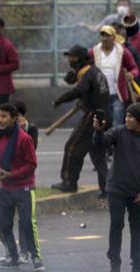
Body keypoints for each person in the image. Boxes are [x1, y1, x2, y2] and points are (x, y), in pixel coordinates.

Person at [93, 103, 140, 272]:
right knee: (116, 225)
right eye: (126, 116)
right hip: (116, 189)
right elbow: (102, 144)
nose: (127, 119)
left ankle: (137, 267)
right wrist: (98, 131)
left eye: (131, 117)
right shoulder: (119, 132)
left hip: (138, 194)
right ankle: (115, 263)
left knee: (137, 229)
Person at [51, 44, 110, 196]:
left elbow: (79, 90)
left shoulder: (87, 73)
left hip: (93, 115)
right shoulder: (93, 71)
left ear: (81, 58)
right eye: (69, 56)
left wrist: (60, 100)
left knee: (72, 146)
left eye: (73, 57)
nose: (70, 60)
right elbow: (90, 91)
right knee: (97, 154)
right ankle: (107, 189)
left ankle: (69, 183)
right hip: (105, 114)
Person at [0, 103, 42, 271]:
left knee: (27, 223)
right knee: (4, 223)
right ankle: (13, 255)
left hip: (24, 187)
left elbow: (31, 164)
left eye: (4, 116)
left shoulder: (24, 139)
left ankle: (35, 256)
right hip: (5, 186)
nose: (0, 120)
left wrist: (11, 174)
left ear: (13, 119)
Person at [89, 26, 139, 127]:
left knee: (117, 125)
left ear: (113, 37)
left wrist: (131, 74)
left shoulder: (122, 52)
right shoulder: (93, 52)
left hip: (117, 95)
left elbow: (135, 68)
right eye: (103, 35)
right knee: (101, 126)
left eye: (108, 36)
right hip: (100, 96)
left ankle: (117, 143)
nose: (105, 38)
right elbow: (85, 67)